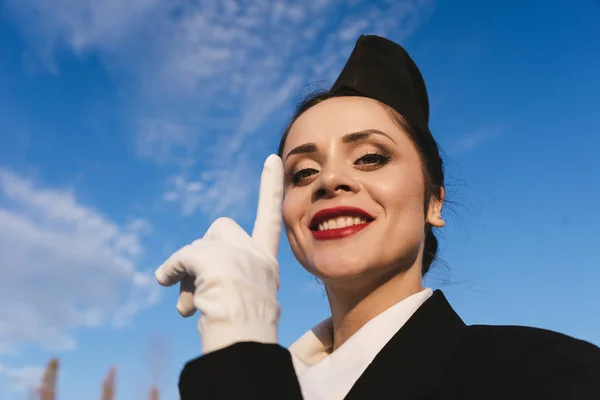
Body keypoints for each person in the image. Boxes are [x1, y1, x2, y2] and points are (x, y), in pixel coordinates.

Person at [155, 35, 600, 399]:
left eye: (370, 157)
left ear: (434, 202)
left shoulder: (552, 374)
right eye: (303, 172)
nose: (329, 179)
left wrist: (241, 357)